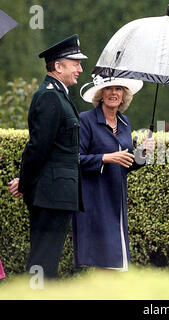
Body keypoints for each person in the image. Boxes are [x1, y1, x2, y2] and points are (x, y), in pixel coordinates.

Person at [8, 34, 87, 278]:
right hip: (50, 193)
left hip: (56, 194)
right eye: (75, 64)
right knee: (42, 260)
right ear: (58, 66)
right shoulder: (51, 96)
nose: (80, 69)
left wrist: (25, 180)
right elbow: (38, 147)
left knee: (47, 261)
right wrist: (26, 181)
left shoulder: (58, 94)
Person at [72, 75, 155, 271]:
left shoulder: (125, 122)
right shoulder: (86, 120)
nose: (114, 93)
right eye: (109, 89)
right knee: (105, 261)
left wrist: (142, 153)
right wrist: (105, 158)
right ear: (101, 94)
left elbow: (127, 162)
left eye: (118, 89)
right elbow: (75, 158)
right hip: (94, 200)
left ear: (124, 95)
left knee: (115, 262)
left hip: (116, 199)